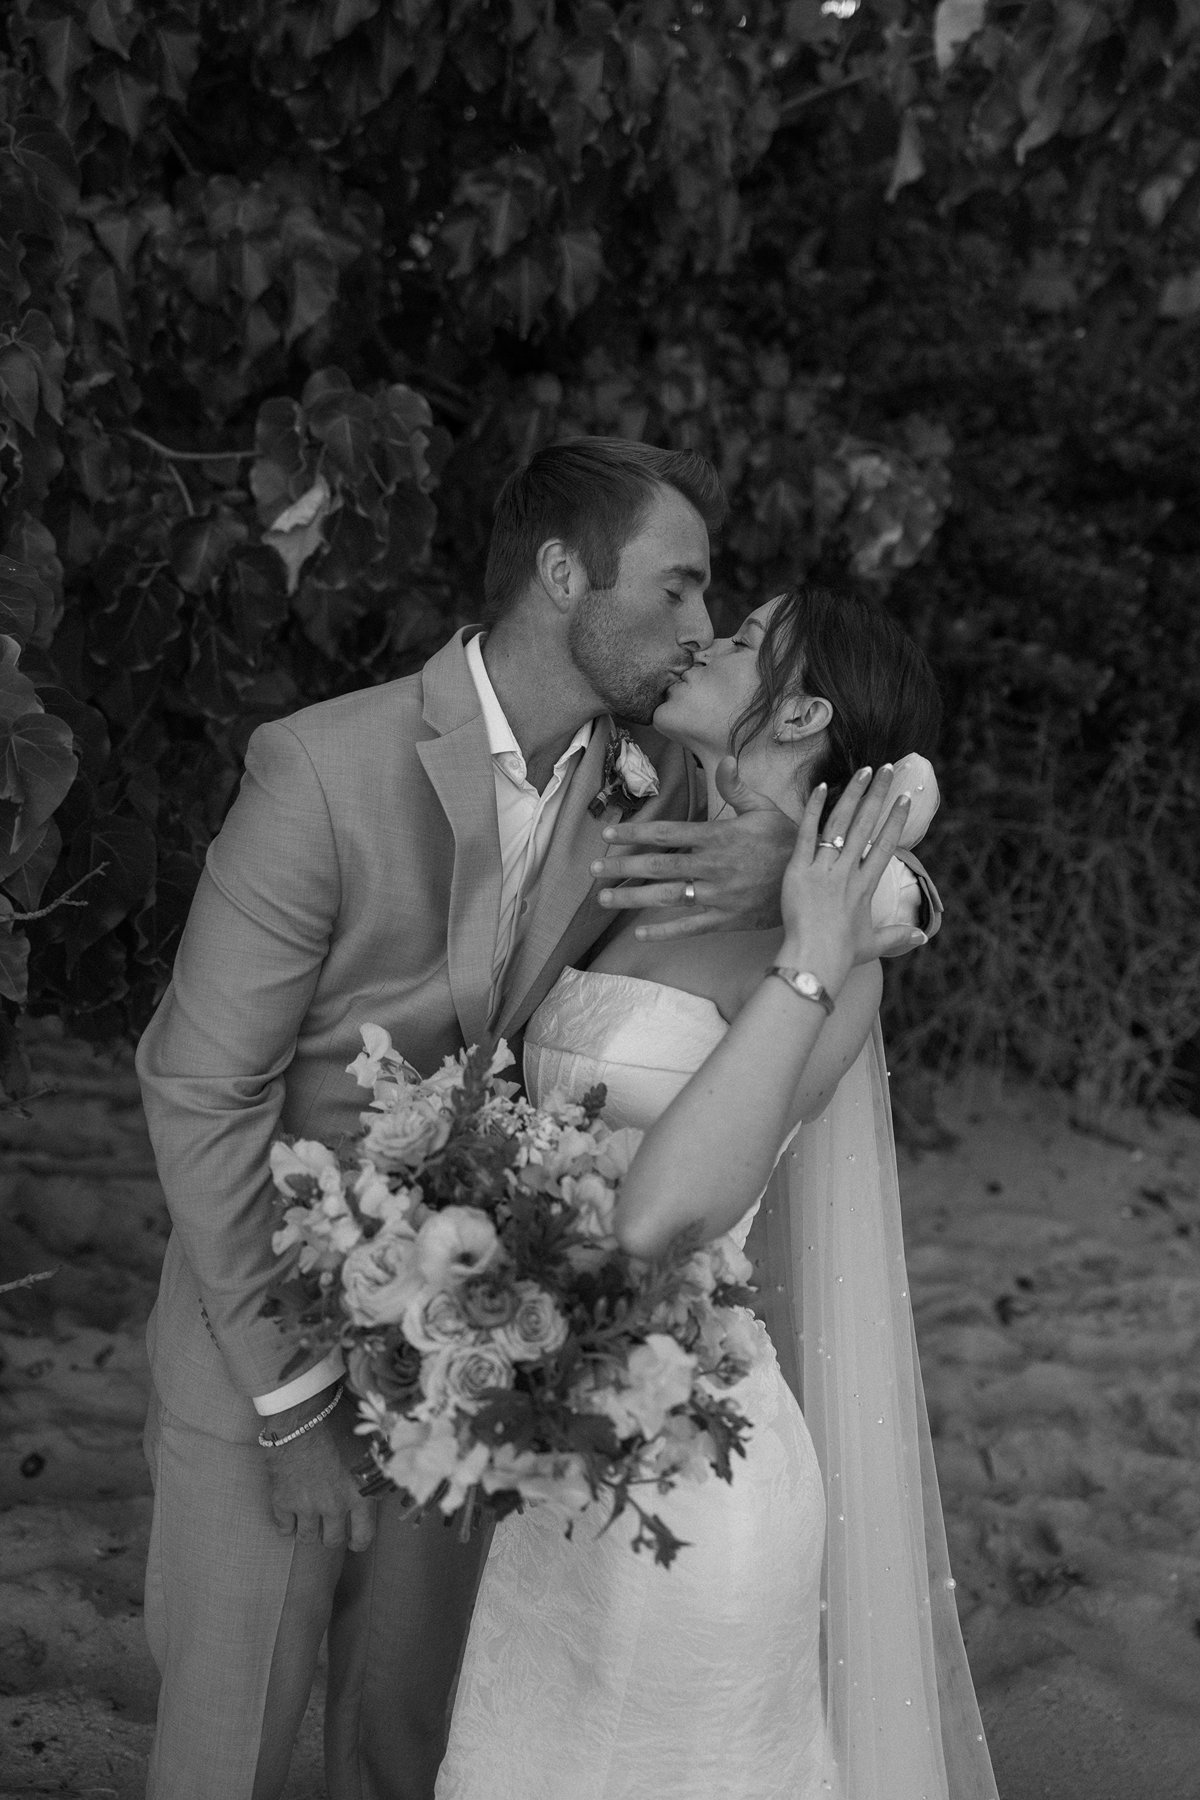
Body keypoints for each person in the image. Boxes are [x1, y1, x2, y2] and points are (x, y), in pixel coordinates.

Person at [134, 437, 818, 1800]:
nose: (700, 629)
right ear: (566, 575)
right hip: (258, 1324)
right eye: (679, 590)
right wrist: (289, 1404)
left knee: (405, 1751)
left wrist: (802, 864)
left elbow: (879, 847)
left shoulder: (656, 787)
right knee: (230, 1753)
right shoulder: (322, 768)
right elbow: (202, 1090)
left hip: (480, 1355)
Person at [437, 587, 998, 1800]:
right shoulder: (665, 843)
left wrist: (832, 917)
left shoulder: (834, 956)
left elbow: (667, 1219)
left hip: (694, 1476)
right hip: (565, 1435)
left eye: (742, 641)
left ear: (800, 707)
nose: (706, 639)